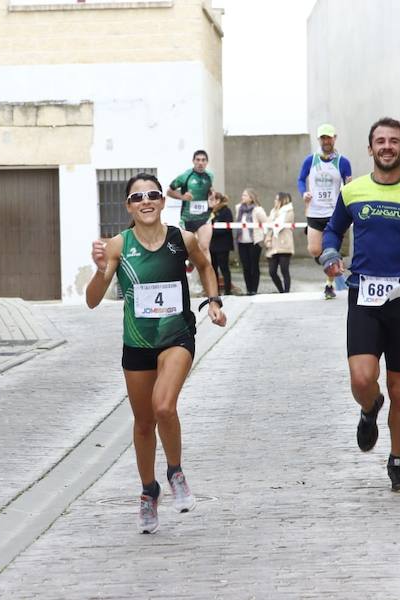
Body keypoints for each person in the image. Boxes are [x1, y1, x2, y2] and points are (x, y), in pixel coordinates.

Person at [318, 117, 400, 493]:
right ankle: (368, 408)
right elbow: (333, 229)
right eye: (380, 140)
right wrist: (330, 252)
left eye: (395, 141)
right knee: (363, 378)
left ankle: (396, 459)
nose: (387, 146)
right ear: (370, 149)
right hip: (363, 293)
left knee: (399, 387)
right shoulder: (353, 192)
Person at [87, 173, 226, 534]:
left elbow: (206, 266)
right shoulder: (118, 245)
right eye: (137, 197)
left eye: (152, 194)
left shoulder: (183, 239)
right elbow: (91, 300)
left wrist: (213, 301)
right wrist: (101, 272)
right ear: (128, 206)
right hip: (137, 344)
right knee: (144, 422)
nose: (145, 201)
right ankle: (149, 491)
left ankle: (175, 471)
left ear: (163, 201)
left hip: (177, 336)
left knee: (164, 405)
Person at [298, 123, 352, 299]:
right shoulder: (310, 160)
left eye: (329, 137)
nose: (326, 141)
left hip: (333, 214)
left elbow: (349, 185)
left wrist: (347, 201)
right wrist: (303, 192)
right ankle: (328, 260)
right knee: (315, 250)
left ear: (334, 138)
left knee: (331, 251)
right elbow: (300, 179)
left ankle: (329, 286)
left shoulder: (343, 162)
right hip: (314, 212)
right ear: (319, 140)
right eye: (323, 138)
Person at [168, 150, 214, 267]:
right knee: (186, 248)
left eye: (203, 160)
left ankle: (208, 278)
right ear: (193, 161)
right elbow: (169, 191)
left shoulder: (210, 176)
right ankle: (188, 267)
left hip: (204, 216)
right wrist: (182, 196)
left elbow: (209, 191)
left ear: (207, 162)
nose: (200, 163)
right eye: (198, 160)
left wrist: (211, 197)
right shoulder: (185, 176)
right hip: (188, 218)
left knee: (204, 247)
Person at [234, 188, 268, 296]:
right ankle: (248, 289)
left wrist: (265, 237)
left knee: (254, 266)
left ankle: (254, 289)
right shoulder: (239, 208)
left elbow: (266, 223)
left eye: (245, 195)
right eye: (242, 195)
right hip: (241, 242)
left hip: (254, 241)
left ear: (251, 197)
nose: (242, 197)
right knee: (245, 266)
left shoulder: (257, 210)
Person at [264, 192, 295, 293]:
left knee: (284, 270)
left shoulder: (289, 211)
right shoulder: (273, 212)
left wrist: (276, 217)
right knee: (272, 271)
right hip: (273, 245)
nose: (275, 201)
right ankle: (281, 290)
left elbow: (281, 225)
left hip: (284, 243)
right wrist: (268, 238)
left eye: (277, 199)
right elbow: (269, 226)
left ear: (282, 200)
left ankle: (286, 292)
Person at [208, 191, 235, 295]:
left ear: (218, 200)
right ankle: (215, 291)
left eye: (212, 200)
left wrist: (211, 231)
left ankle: (228, 291)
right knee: (213, 269)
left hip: (223, 245)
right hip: (212, 245)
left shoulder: (225, 211)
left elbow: (227, 228)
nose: (209, 202)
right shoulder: (209, 212)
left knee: (224, 268)